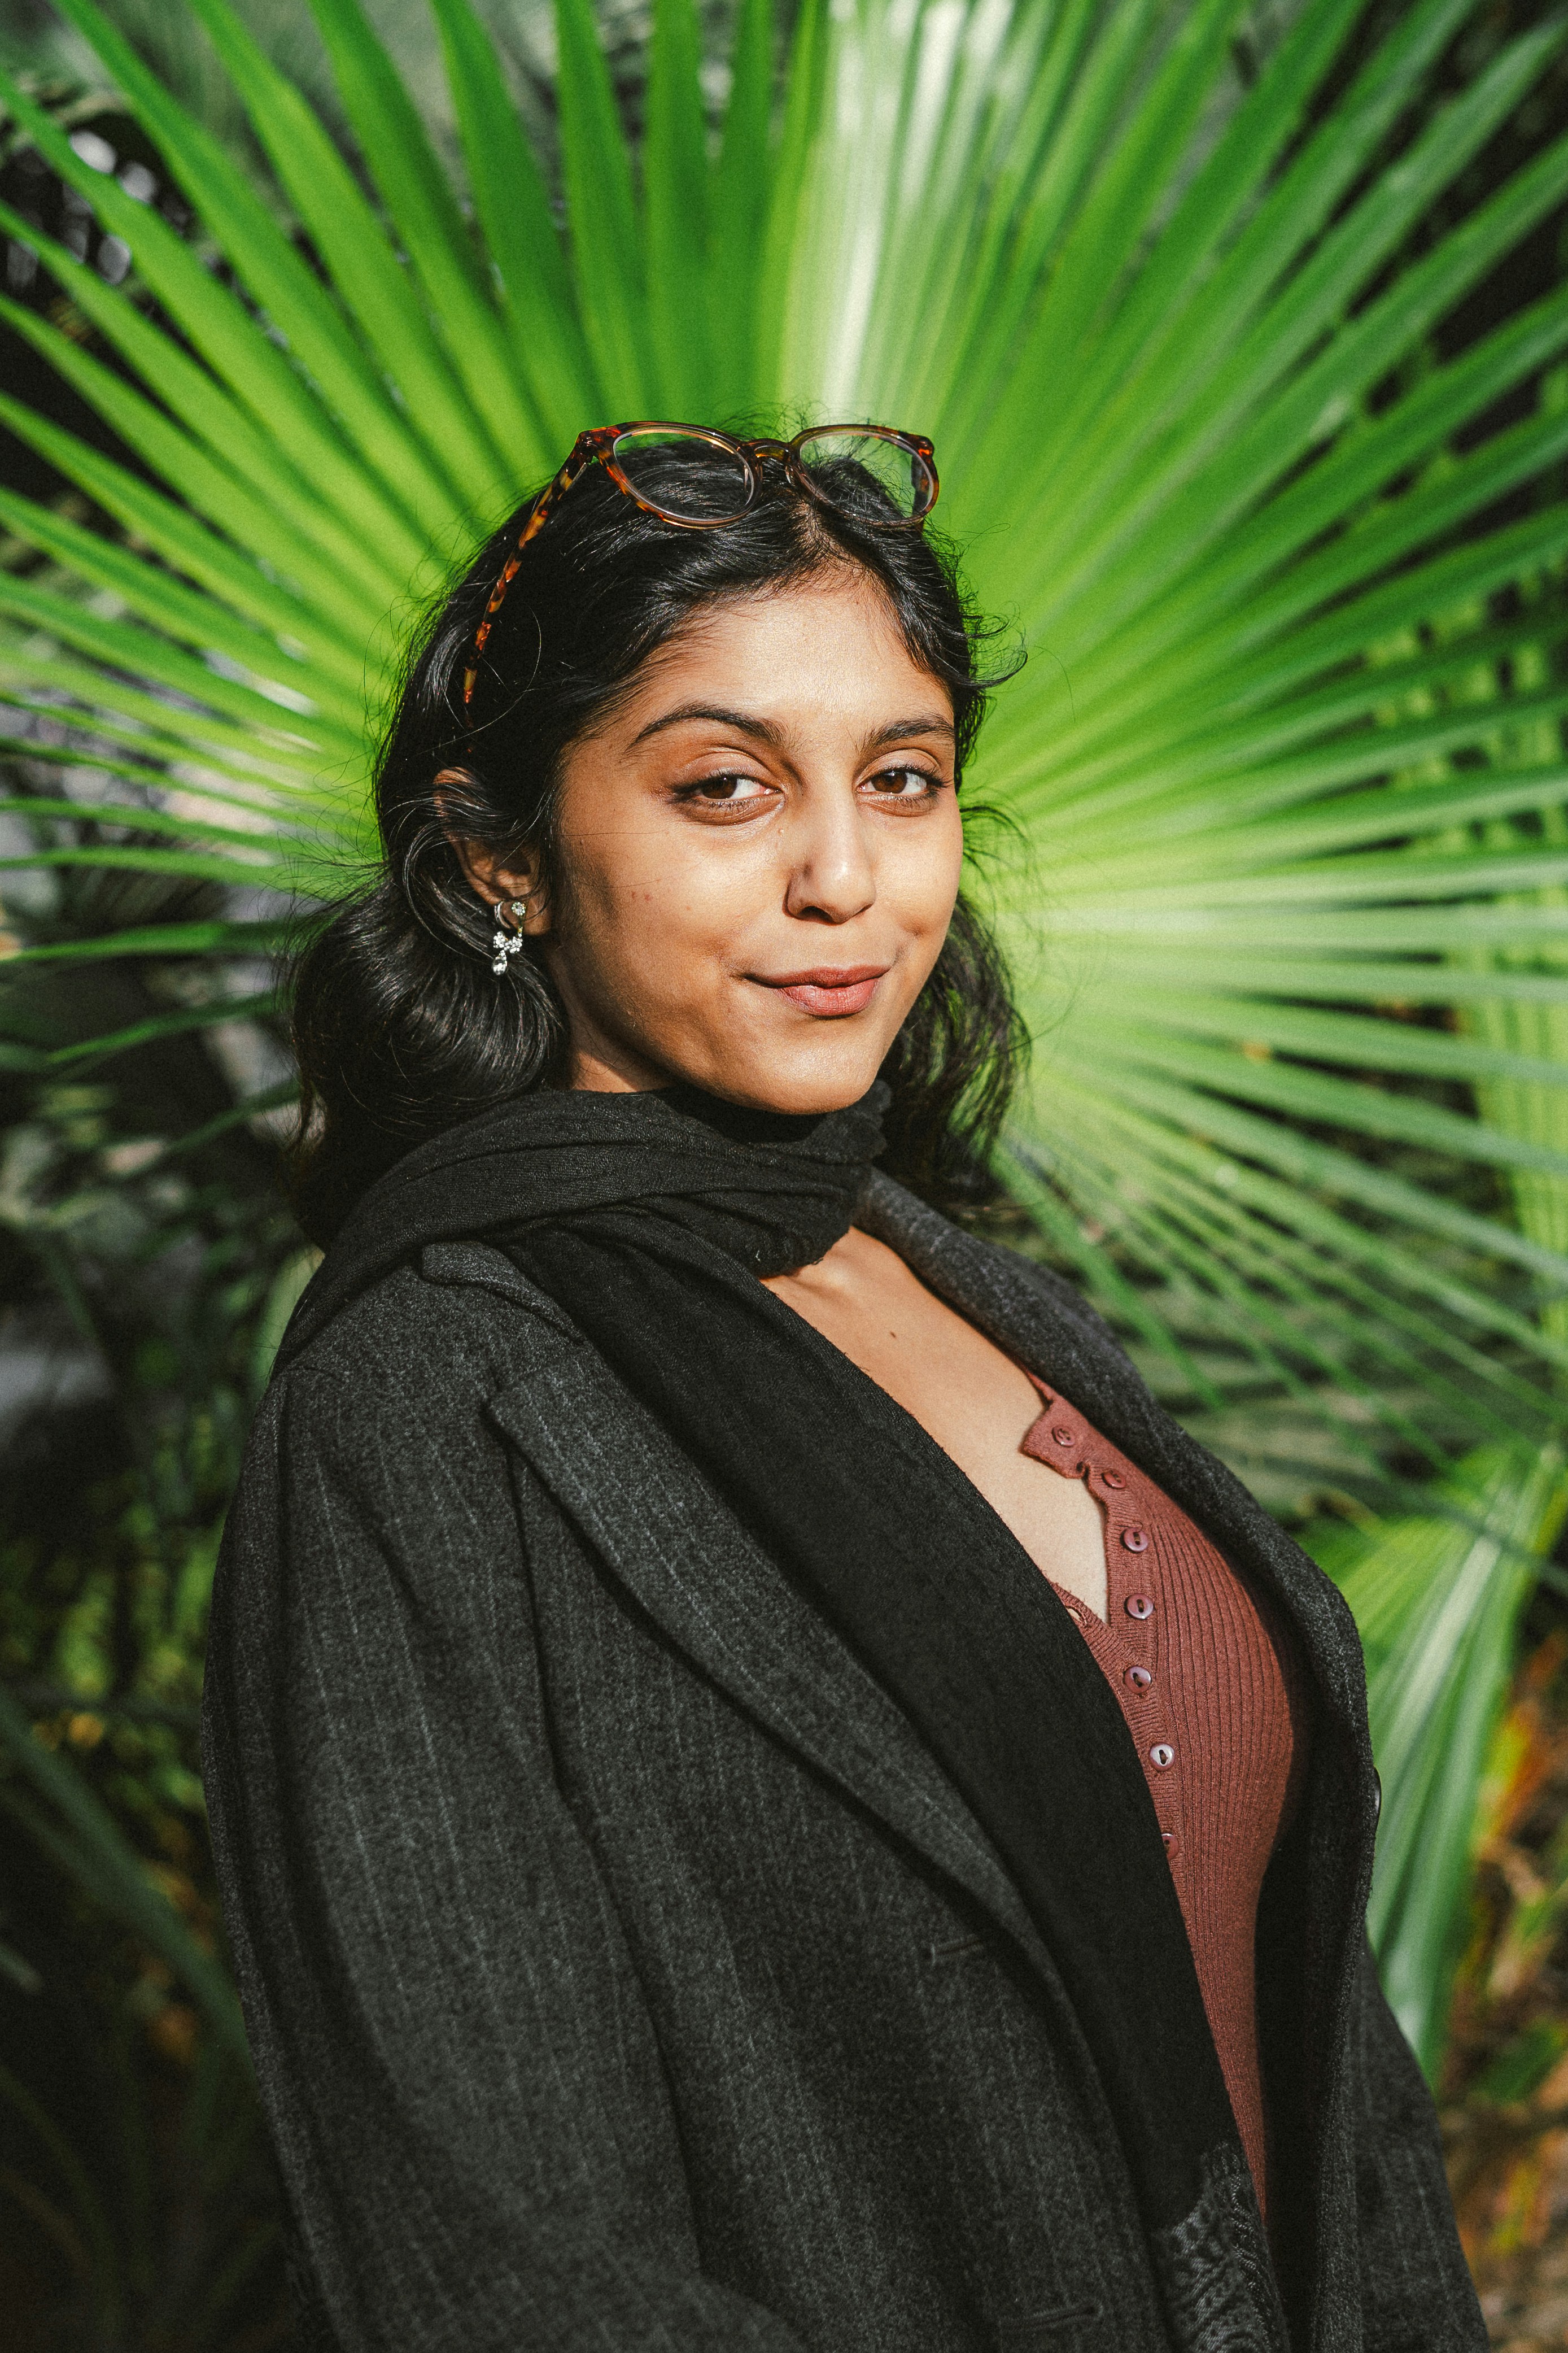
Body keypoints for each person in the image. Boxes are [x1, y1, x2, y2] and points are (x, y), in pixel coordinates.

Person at [202, 424, 1482, 2353]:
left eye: (903, 779)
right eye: (725, 787)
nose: (843, 876)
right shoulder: (426, 1406)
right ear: (502, 860)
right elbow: (515, 2268)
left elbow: (1320, 2057)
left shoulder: (969, 1293)